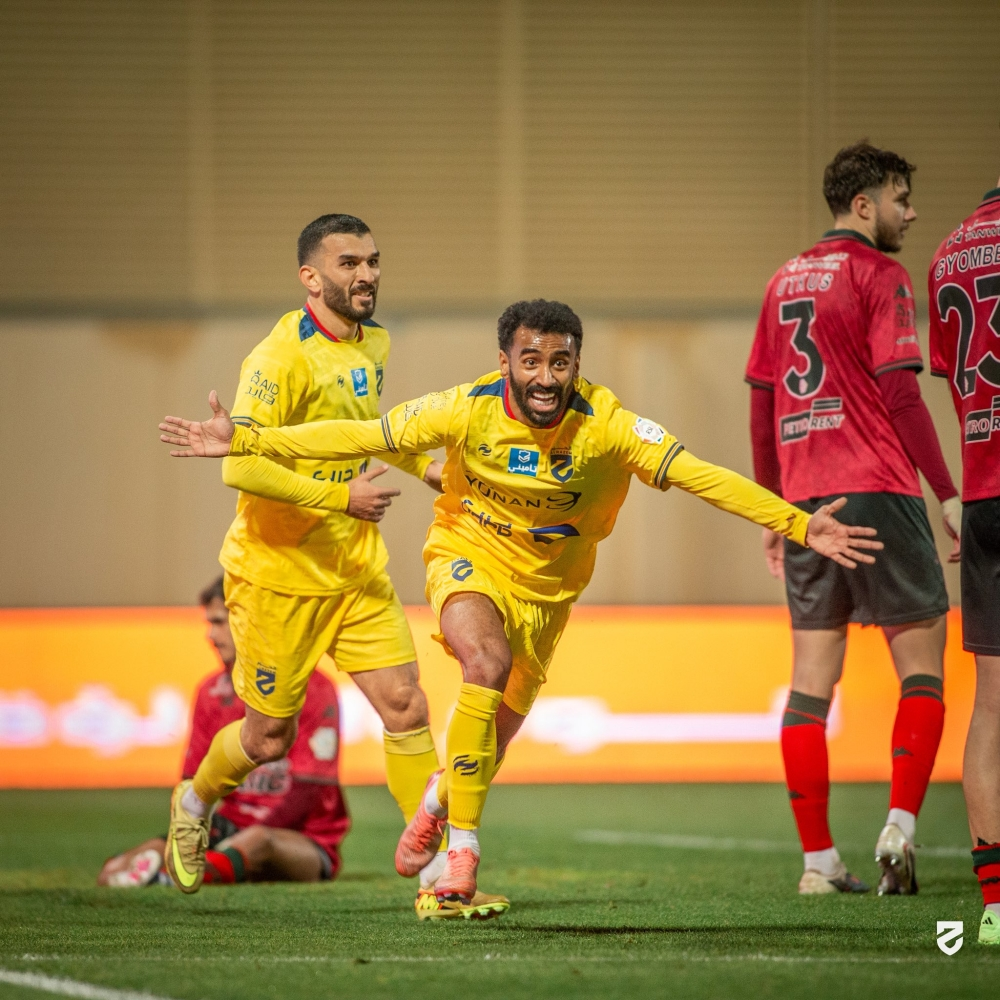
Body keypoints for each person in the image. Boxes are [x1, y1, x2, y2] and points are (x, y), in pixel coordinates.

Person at [160, 297, 880, 912]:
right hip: (463, 556)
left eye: (559, 363)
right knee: (481, 659)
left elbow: (701, 475)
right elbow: (360, 434)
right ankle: (459, 858)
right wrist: (249, 436)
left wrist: (797, 520)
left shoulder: (608, 424)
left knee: (487, 741)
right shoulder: (463, 408)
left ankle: (441, 801)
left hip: (548, 593)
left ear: (575, 364)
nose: (545, 377)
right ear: (504, 359)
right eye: (530, 361)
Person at [158, 213, 480, 917]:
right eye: (347, 264)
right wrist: (343, 492)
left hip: (355, 568)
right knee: (267, 736)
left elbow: (364, 423)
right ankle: (196, 799)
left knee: (407, 707)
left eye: (371, 261)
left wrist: (421, 465)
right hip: (277, 576)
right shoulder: (277, 359)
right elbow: (240, 470)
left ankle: (434, 871)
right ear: (310, 277)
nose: (365, 275)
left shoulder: (375, 342)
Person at [745, 141, 962, 896]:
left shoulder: (781, 281)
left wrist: (772, 509)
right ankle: (900, 825)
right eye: (902, 199)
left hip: (807, 504)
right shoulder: (882, 275)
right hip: (879, 491)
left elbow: (763, 402)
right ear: (864, 205)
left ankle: (817, 864)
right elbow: (901, 395)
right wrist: (947, 493)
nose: (911, 214)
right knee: (924, 673)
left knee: (810, 686)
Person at [98, 577, 349, 887]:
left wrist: (231, 834)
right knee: (117, 867)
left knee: (257, 841)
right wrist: (203, 830)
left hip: (300, 840)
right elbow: (191, 781)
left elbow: (309, 790)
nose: (211, 635)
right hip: (227, 828)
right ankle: (158, 870)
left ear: (248, 622)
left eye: (219, 623)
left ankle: (170, 878)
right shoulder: (210, 692)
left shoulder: (313, 687)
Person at [928, 176, 1000, 945]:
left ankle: (995, 912)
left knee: (992, 708)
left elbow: (951, 376)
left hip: (984, 498)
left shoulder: (950, 251)